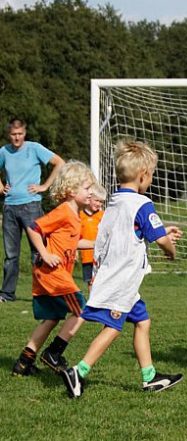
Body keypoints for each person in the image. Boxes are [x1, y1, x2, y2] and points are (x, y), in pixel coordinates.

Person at [61, 140, 183, 398]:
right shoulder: (142, 204)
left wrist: (96, 274)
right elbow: (160, 239)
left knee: (143, 321)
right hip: (122, 279)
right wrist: (171, 251)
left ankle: (149, 377)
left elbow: (116, 236)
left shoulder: (114, 203)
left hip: (113, 274)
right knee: (113, 328)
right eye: (151, 175)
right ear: (143, 176)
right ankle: (79, 371)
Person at [11, 161, 96, 376]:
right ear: (70, 190)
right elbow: (34, 228)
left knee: (53, 317)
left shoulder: (75, 215)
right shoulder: (64, 212)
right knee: (82, 310)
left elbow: (73, 242)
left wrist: (98, 243)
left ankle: (24, 362)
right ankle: (53, 354)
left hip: (51, 274)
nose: (91, 192)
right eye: (86, 188)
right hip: (52, 274)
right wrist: (46, 253)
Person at [0, 118, 65, 302]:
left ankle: (43, 291)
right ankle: (7, 293)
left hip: (31, 206)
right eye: (13, 134)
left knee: (38, 250)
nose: (17, 138)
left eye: (20, 134)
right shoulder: (4, 152)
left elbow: (59, 162)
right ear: (9, 134)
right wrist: (0, 185)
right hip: (10, 206)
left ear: (25, 133)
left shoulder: (34, 148)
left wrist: (44, 186)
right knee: (11, 254)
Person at [79, 183, 107, 292]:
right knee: (90, 281)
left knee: (103, 281)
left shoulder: (103, 215)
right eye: (97, 200)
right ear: (89, 198)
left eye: (101, 202)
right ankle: (92, 303)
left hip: (101, 256)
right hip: (87, 257)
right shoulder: (80, 215)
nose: (99, 204)